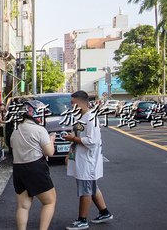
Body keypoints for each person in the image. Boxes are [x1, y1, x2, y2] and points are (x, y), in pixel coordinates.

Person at [64, 90, 113, 228]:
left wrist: (73, 138)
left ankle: (82, 220)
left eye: (72, 103)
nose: (71, 105)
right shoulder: (81, 117)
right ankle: (104, 212)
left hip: (88, 161)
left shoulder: (91, 119)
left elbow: (93, 141)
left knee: (85, 190)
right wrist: (70, 152)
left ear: (80, 103)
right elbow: (77, 134)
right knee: (91, 187)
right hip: (82, 159)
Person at [9, 99, 57, 230]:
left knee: (23, 206)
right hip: (36, 168)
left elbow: (13, 148)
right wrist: (51, 139)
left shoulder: (15, 131)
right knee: (49, 202)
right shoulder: (39, 130)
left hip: (18, 169)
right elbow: (49, 152)